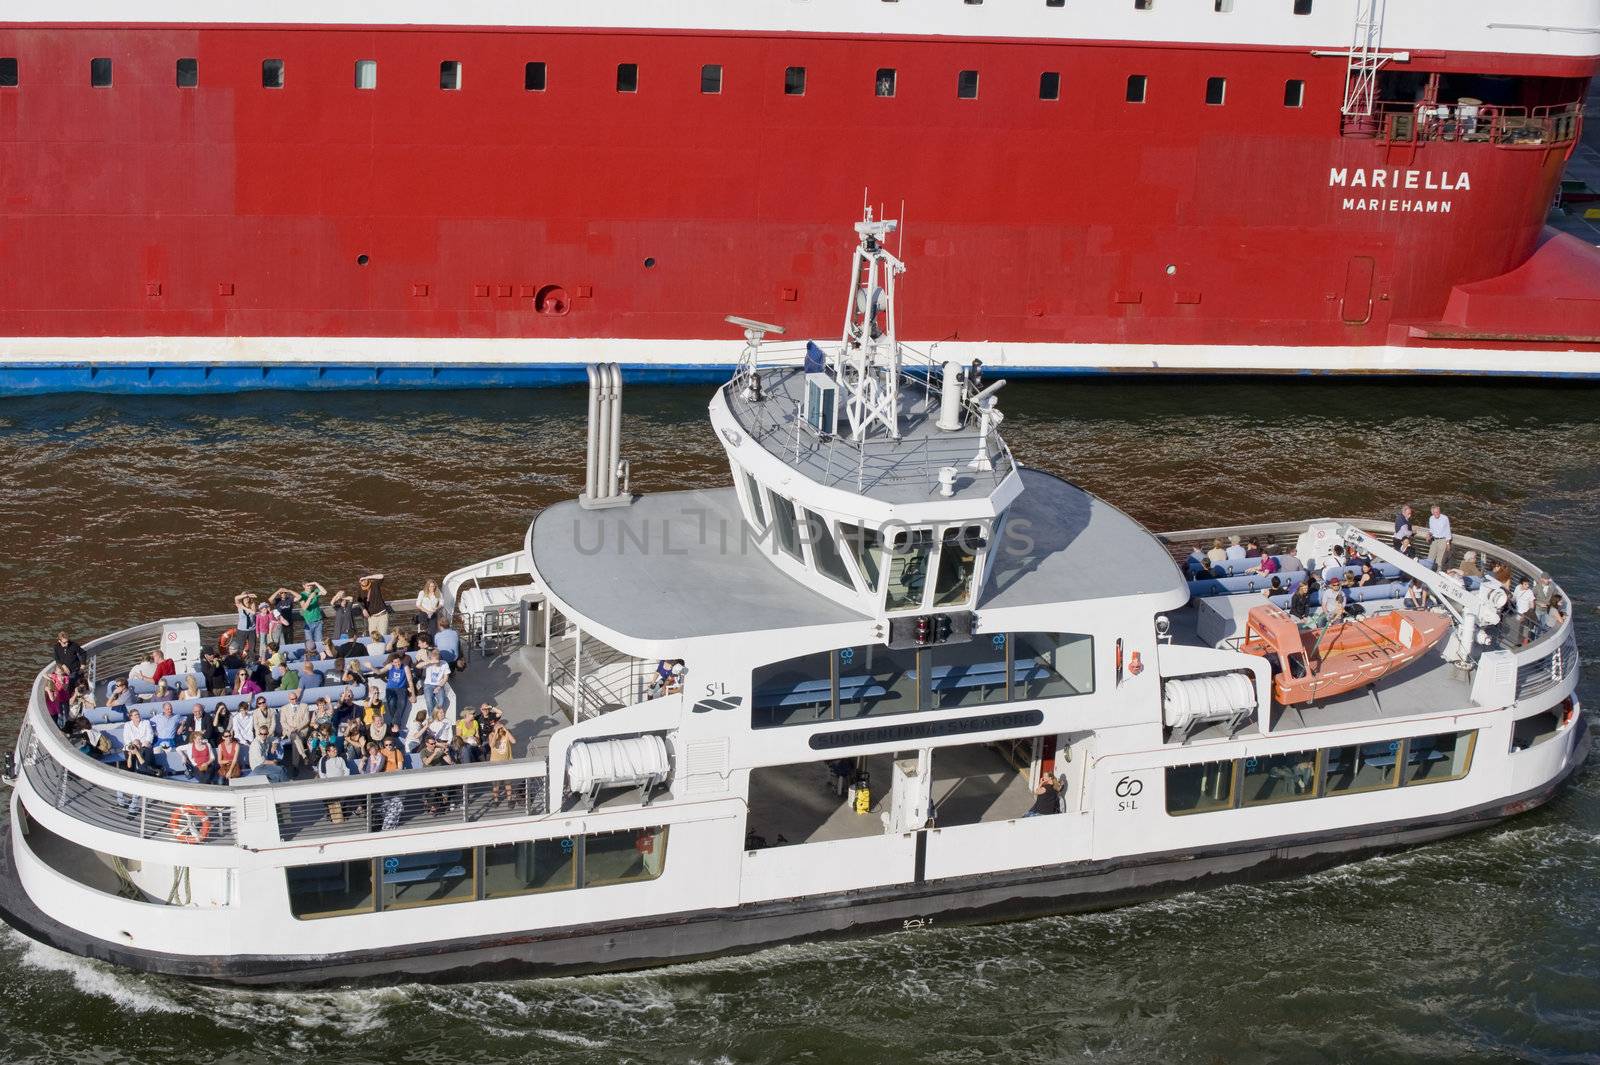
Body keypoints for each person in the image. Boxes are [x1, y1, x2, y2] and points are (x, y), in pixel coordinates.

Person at [382, 651, 414, 727]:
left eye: (399, 661)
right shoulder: (390, 666)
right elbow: (379, 671)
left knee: (402, 703)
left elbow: (410, 681)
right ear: (392, 663)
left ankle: (394, 724)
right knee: (391, 704)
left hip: (401, 689)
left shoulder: (405, 667)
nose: (398, 664)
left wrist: (413, 695)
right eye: (395, 662)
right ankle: (396, 724)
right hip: (390, 689)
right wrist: (371, 667)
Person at [488, 719, 516, 803]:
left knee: (508, 784)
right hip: (495, 764)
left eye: (500, 727)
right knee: (496, 785)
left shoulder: (506, 734)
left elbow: (514, 741)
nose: (500, 730)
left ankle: (509, 799)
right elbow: (492, 745)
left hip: (507, 762)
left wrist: (505, 729)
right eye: (497, 727)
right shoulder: (491, 735)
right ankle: (496, 800)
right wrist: (496, 732)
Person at [296, 581, 328, 652]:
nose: (310, 587)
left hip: (318, 621)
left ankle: (320, 657)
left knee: (319, 642)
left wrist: (316, 583)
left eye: (311, 585)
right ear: (303, 586)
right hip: (308, 622)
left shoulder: (315, 591)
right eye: (308, 585)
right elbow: (304, 608)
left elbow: (325, 592)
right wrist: (310, 598)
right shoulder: (302, 595)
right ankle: (311, 657)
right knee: (309, 644)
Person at [359, 573, 390, 637]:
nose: (364, 581)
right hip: (372, 617)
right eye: (362, 580)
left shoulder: (374, 585)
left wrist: (368, 577)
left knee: (383, 636)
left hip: (382, 615)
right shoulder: (360, 591)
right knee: (372, 637)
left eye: (365, 579)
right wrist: (363, 609)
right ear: (360, 582)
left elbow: (382, 576)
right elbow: (359, 601)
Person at [422, 650, 450, 714]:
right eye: (434, 660)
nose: (435, 662)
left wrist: (439, 687)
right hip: (428, 685)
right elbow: (418, 666)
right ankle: (431, 716)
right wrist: (429, 662)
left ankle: (435, 715)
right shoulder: (429, 663)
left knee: (441, 701)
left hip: (439, 685)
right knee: (429, 700)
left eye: (437, 659)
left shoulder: (444, 663)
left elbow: (446, 677)